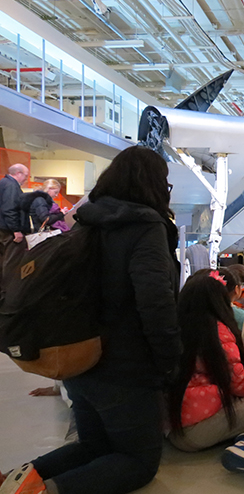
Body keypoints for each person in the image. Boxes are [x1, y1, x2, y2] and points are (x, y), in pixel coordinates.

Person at [0, 146, 183, 494]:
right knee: (139, 462)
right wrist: (169, 363)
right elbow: (155, 303)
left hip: (81, 359)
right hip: (126, 366)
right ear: (154, 185)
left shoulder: (86, 223)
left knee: (93, 446)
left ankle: (12, 481)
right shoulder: (145, 227)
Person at [167, 269, 244, 492]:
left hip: (171, 426)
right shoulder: (218, 331)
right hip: (198, 430)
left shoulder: (172, 327)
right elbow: (239, 384)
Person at [0, 163, 28, 276]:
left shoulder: (3, 183)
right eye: (26, 175)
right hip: (8, 231)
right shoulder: (11, 186)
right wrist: (16, 230)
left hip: (3, 228)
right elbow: (9, 209)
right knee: (10, 260)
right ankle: (8, 289)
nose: (26, 179)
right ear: (18, 173)